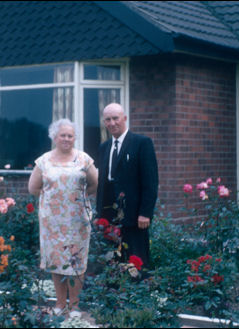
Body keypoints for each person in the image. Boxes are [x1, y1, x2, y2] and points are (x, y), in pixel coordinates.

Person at [28, 118, 98, 317]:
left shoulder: (84, 159)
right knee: (56, 261)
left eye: (70, 135)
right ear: (55, 137)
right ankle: (60, 304)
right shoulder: (44, 161)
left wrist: (78, 198)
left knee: (76, 261)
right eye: (62, 135)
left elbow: (94, 184)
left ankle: (75, 306)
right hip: (53, 222)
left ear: (74, 138)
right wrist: (54, 199)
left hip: (78, 220)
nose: (66, 139)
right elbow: (33, 188)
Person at [96, 103, 158, 271]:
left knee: (137, 262)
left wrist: (145, 212)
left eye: (115, 118)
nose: (112, 123)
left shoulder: (141, 143)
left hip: (135, 216)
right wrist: (99, 213)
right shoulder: (104, 147)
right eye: (107, 119)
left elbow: (150, 182)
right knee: (111, 261)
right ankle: (114, 294)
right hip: (109, 215)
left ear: (124, 118)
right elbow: (103, 183)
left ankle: (140, 294)